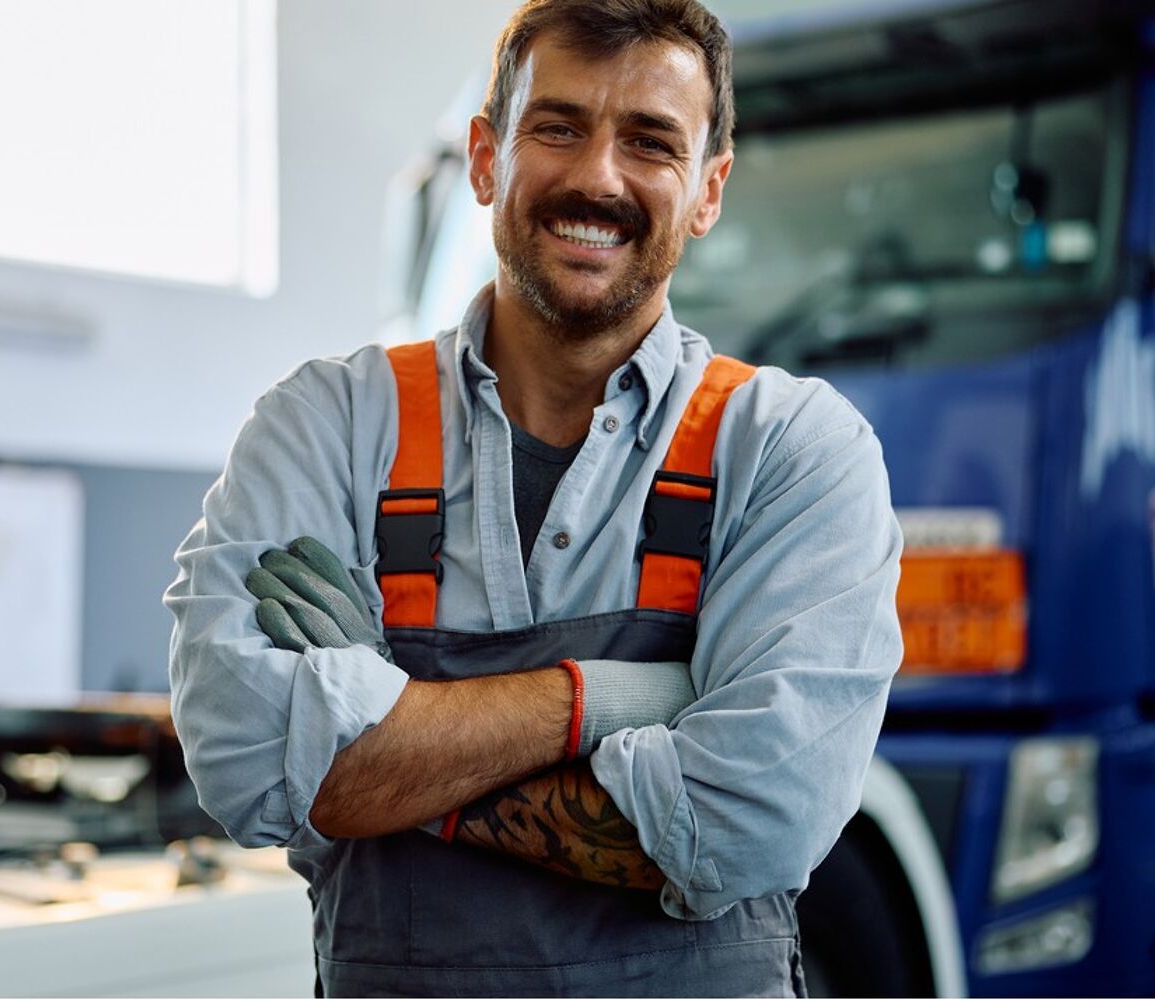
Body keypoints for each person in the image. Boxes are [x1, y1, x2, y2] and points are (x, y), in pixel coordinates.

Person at [165, 0, 902, 995]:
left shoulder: (792, 449)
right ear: (483, 157)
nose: (598, 176)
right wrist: (618, 698)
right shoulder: (327, 429)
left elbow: (750, 825)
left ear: (708, 190)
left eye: (649, 141)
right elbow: (249, 758)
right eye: (558, 126)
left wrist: (380, 754)